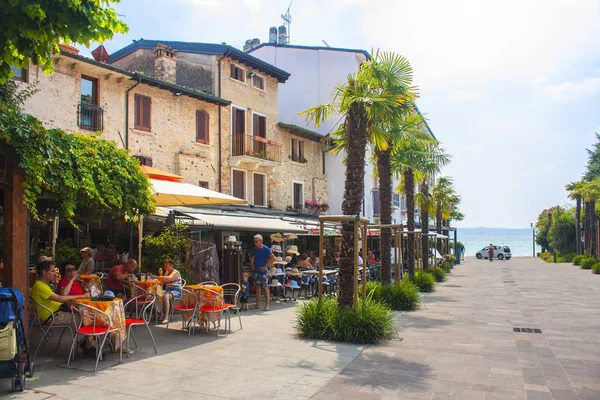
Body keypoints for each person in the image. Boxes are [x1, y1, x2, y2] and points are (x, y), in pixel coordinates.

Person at [30, 261, 94, 355]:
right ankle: (88, 346)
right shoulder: (41, 286)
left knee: (87, 315)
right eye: (52, 271)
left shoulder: (41, 285)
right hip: (54, 316)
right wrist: (82, 296)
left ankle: (86, 342)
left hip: (56, 313)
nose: (55, 273)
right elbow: (61, 298)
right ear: (44, 272)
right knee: (88, 318)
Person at [150, 258, 182, 324]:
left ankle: (166, 317)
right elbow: (162, 283)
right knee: (156, 294)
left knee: (166, 296)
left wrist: (156, 277)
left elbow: (169, 278)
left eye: (167, 265)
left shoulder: (175, 272)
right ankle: (159, 313)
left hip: (176, 291)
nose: (165, 267)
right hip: (168, 290)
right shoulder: (166, 273)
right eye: (165, 265)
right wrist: (160, 274)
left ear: (171, 265)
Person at [251, 234, 275, 311]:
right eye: (254, 241)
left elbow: (273, 258)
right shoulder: (255, 249)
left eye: (256, 241)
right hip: (256, 271)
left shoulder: (266, 249)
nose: (254, 243)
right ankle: (257, 304)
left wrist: (266, 266)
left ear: (260, 241)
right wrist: (252, 264)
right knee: (257, 287)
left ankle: (267, 304)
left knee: (265, 287)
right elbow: (252, 257)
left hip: (263, 271)